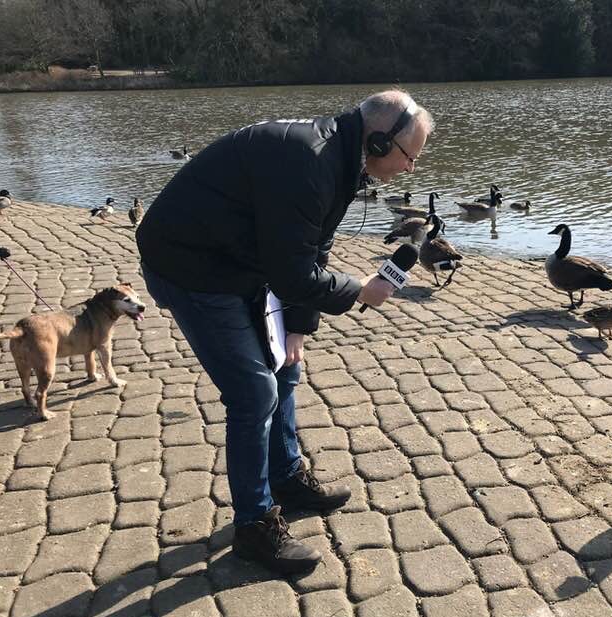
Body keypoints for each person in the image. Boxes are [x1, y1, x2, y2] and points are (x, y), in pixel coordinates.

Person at [137, 89, 434, 574]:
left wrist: (297, 324)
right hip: (190, 265)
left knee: (286, 366)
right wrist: (361, 290)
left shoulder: (338, 158)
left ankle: (287, 477)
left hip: (240, 258)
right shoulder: (310, 162)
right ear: (379, 142)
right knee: (254, 393)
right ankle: (254, 529)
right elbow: (293, 275)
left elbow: (314, 247)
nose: (410, 169)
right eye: (409, 156)